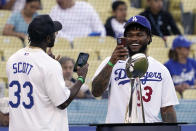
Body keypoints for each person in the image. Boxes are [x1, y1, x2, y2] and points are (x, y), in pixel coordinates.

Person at [6, 14, 89, 131]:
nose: (56, 35)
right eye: (54, 33)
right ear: (48, 39)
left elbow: (34, 81)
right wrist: (81, 78)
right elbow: (63, 103)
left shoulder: (12, 59)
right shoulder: (50, 65)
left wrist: (48, 63)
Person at [92, 15, 179, 123]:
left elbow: (167, 109)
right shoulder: (110, 62)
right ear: (124, 38)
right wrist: (112, 62)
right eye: (129, 35)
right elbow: (96, 92)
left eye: (139, 34)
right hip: (118, 128)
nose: (134, 39)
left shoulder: (161, 69)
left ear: (149, 38)